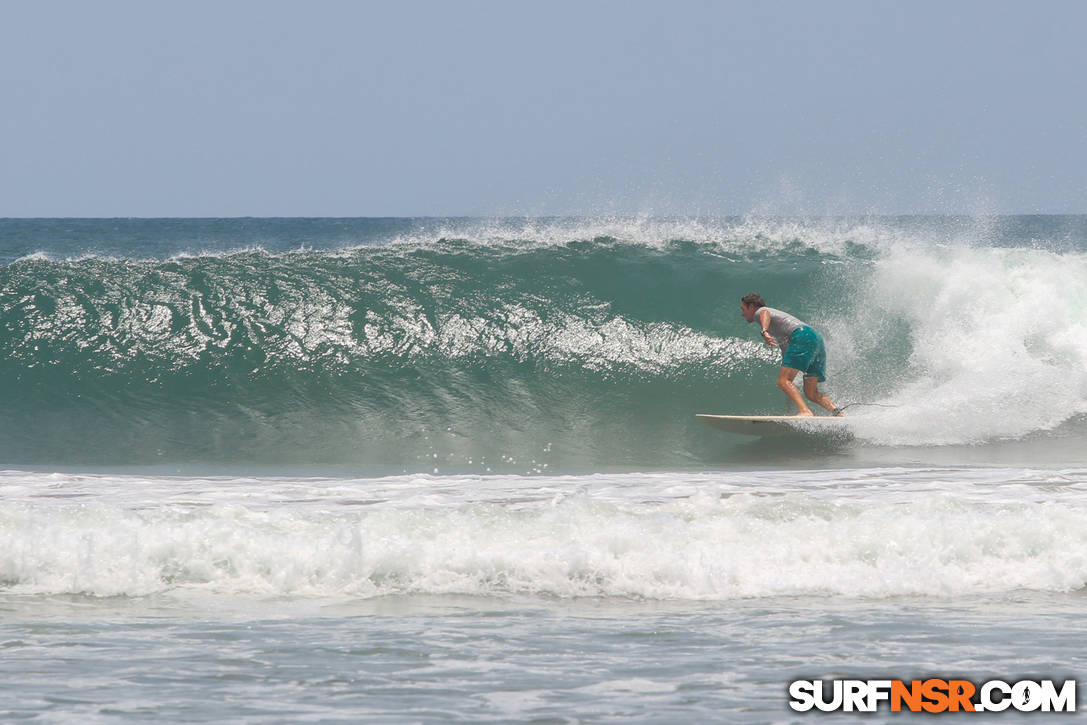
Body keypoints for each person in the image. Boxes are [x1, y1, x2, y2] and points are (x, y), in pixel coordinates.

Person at [739, 292, 843, 417]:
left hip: (802, 335)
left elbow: (763, 313)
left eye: (743, 309)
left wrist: (764, 331)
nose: (742, 313)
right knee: (811, 393)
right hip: (815, 339)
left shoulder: (760, 311)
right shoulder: (779, 327)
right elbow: (787, 352)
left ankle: (805, 412)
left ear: (751, 306)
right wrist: (788, 382)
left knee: (783, 381)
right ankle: (839, 414)